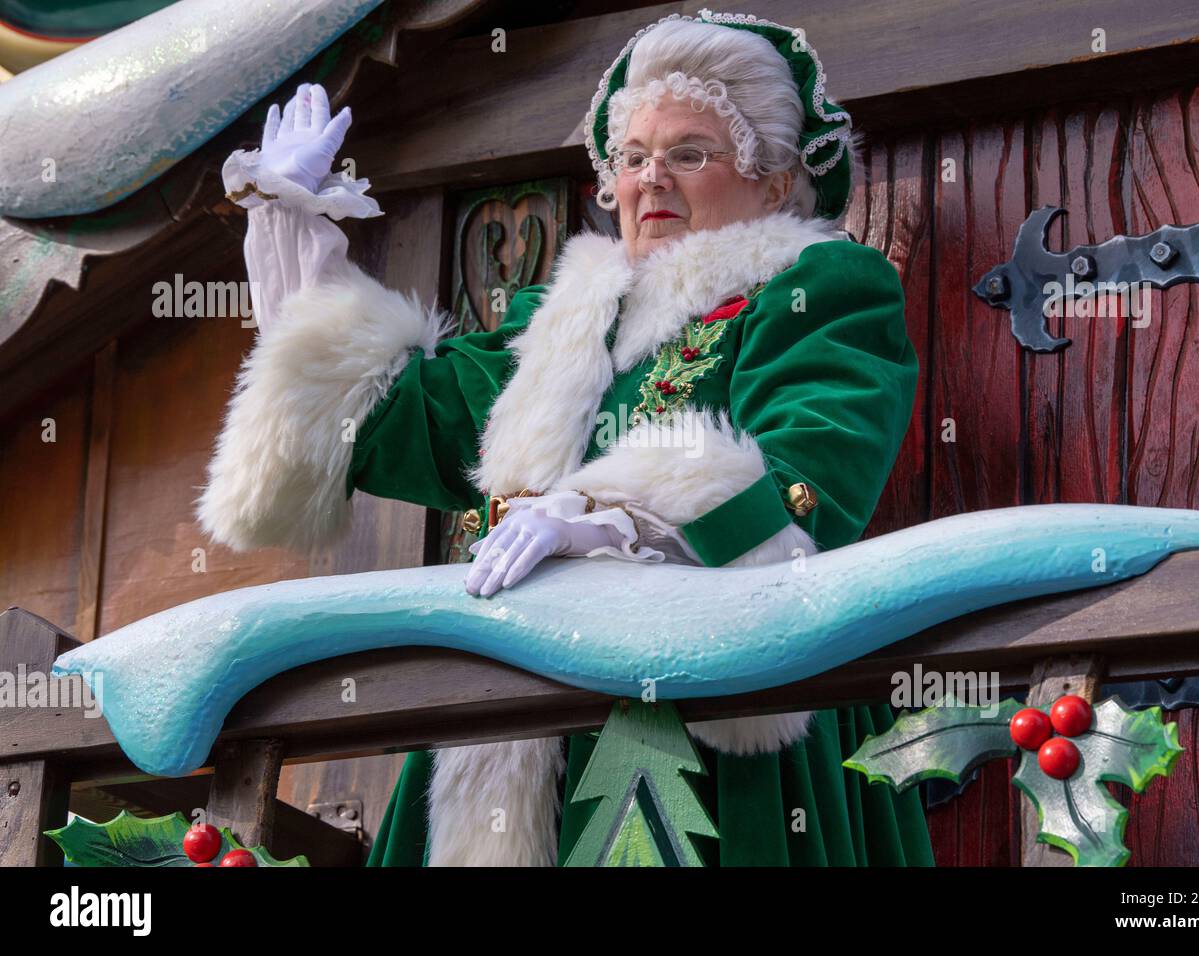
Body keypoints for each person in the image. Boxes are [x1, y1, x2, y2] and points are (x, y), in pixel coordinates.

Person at [198, 10, 932, 867]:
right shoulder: (560, 325)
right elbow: (394, 413)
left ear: (773, 182)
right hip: (509, 718)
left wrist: (602, 515)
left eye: (689, 153)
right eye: (631, 158)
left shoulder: (816, 288)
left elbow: (810, 479)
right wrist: (299, 248)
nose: (650, 180)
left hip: (711, 725)